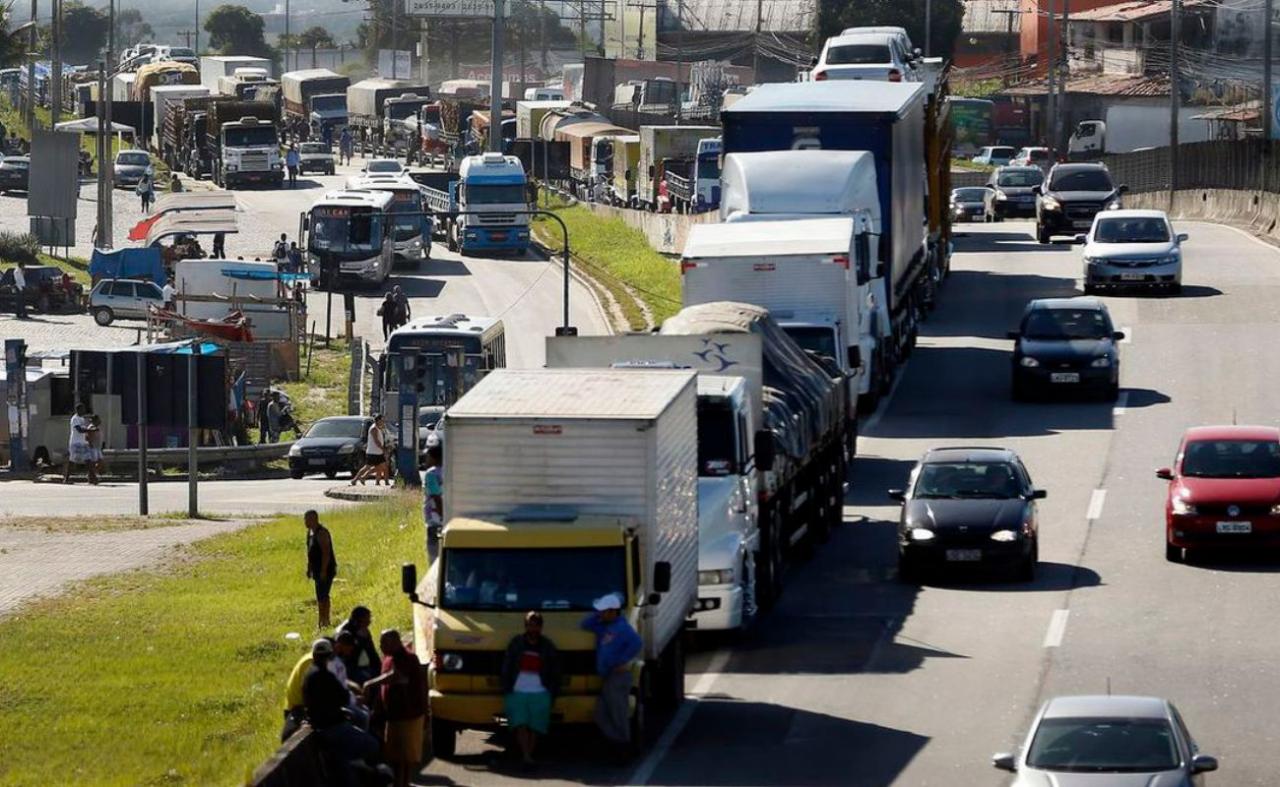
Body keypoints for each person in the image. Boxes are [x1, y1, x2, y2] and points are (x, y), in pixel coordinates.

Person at [305, 638, 381, 786]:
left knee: (343, 762)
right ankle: (357, 766)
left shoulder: (308, 675)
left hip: (322, 726)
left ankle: (349, 764)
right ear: (329, 655)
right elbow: (343, 696)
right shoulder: (326, 676)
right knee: (372, 745)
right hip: (334, 726)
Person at [581, 593, 642, 758]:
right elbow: (584, 624)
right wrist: (598, 615)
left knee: (618, 713)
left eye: (603, 611)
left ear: (612, 611)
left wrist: (623, 662)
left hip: (618, 677)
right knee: (601, 713)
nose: (599, 613)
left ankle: (624, 747)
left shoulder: (623, 628)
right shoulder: (604, 626)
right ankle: (618, 743)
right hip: (608, 677)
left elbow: (637, 643)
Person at [363, 630, 425, 787]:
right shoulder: (388, 658)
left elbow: (397, 676)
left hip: (408, 715)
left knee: (406, 757)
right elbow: (385, 685)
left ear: (395, 642)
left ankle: (404, 783)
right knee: (395, 757)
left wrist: (370, 683)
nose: (380, 645)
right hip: (393, 715)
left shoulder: (408, 658)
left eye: (384, 642)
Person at [501, 611, 560, 768]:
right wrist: (507, 687)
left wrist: (553, 691)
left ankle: (528, 754)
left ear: (540, 627)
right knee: (520, 724)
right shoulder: (516, 643)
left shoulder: (547, 646)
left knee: (535, 725)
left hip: (540, 691)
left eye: (535, 626)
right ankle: (526, 755)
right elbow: (507, 666)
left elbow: (554, 670)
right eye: (529, 625)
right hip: (518, 690)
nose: (532, 629)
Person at [305, 510, 338, 629]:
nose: (305, 522)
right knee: (320, 596)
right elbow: (309, 551)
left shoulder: (321, 533)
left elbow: (326, 553)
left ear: (314, 519)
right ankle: (322, 620)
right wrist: (309, 568)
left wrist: (324, 570)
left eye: (307, 519)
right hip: (316, 569)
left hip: (326, 569)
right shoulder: (310, 533)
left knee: (323, 596)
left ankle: (325, 620)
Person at [338, 606, 381, 683]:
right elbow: (344, 656)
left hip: (356, 665)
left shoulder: (363, 630)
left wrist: (380, 668)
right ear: (359, 619)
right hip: (345, 667)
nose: (369, 622)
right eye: (367, 619)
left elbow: (372, 653)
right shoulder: (345, 633)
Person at [64, 403, 97, 484]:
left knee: (88, 460)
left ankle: (93, 478)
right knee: (72, 461)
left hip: (83, 442)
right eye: (82, 409)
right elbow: (79, 430)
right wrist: (91, 430)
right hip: (75, 443)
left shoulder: (82, 419)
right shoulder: (75, 419)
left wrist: (88, 439)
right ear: (78, 410)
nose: (84, 411)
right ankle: (66, 479)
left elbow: (84, 430)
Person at [351, 415, 388, 486]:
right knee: (367, 467)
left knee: (381, 467)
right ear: (378, 420)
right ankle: (355, 480)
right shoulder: (374, 428)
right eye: (382, 420)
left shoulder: (378, 428)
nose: (383, 422)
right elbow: (376, 441)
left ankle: (377, 482)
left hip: (378, 452)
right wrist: (383, 449)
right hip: (373, 452)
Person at [422, 445, 443, 560]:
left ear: (435, 458)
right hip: (445, 518)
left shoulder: (431, 474)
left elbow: (436, 496)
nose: (426, 459)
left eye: (428, 456)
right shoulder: (447, 471)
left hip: (434, 520)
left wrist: (441, 516)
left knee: (433, 556)